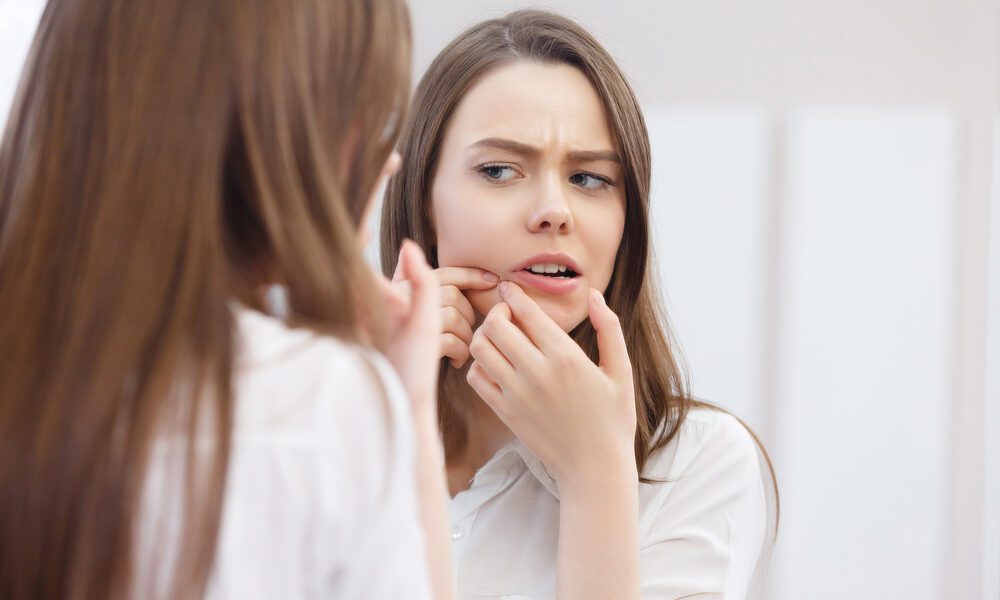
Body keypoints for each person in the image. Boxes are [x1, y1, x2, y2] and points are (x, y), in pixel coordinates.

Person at [0, 1, 453, 599]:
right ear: (282, 126)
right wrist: (407, 407)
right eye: (367, 113)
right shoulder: (325, 403)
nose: (389, 159)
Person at [382, 9, 779, 600]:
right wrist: (378, 415)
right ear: (424, 201)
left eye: (590, 179)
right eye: (498, 170)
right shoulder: (325, 426)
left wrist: (598, 476)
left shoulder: (699, 464)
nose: (554, 209)